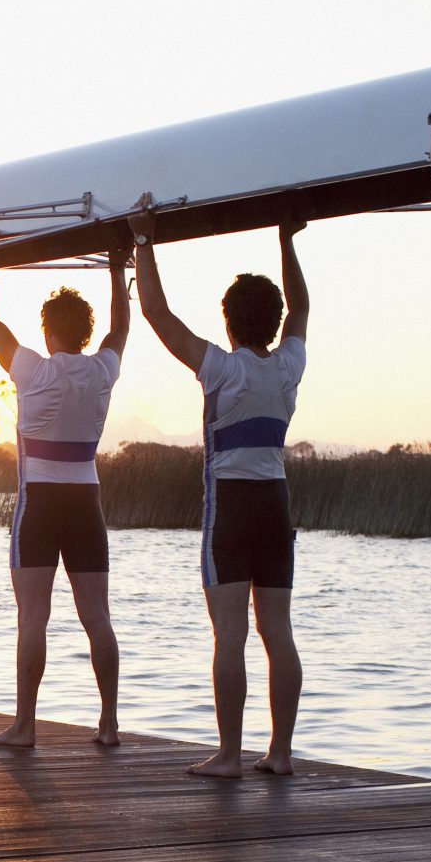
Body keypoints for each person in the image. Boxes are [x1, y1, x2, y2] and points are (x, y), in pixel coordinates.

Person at [130, 205, 308, 776]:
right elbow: (301, 307)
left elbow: (156, 313)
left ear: (228, 324)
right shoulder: (287, 367)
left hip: (230, 510)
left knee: (229, 635)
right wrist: (288, 240)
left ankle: (230, 755)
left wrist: (142, 239)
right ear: (273, 323)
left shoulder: (223, 370)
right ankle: (279, 753)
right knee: (277, 631)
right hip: (277, 508)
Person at [0, 244, 130, 748]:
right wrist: (118, 269)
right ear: (84, 332)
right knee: (97, 617)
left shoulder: (33, 370)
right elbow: (120, 330)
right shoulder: (103, 370)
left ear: (47, 331)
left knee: (32, 617)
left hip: (38, 504)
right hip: (86, 503)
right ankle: (108, 725)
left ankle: (25, 726)